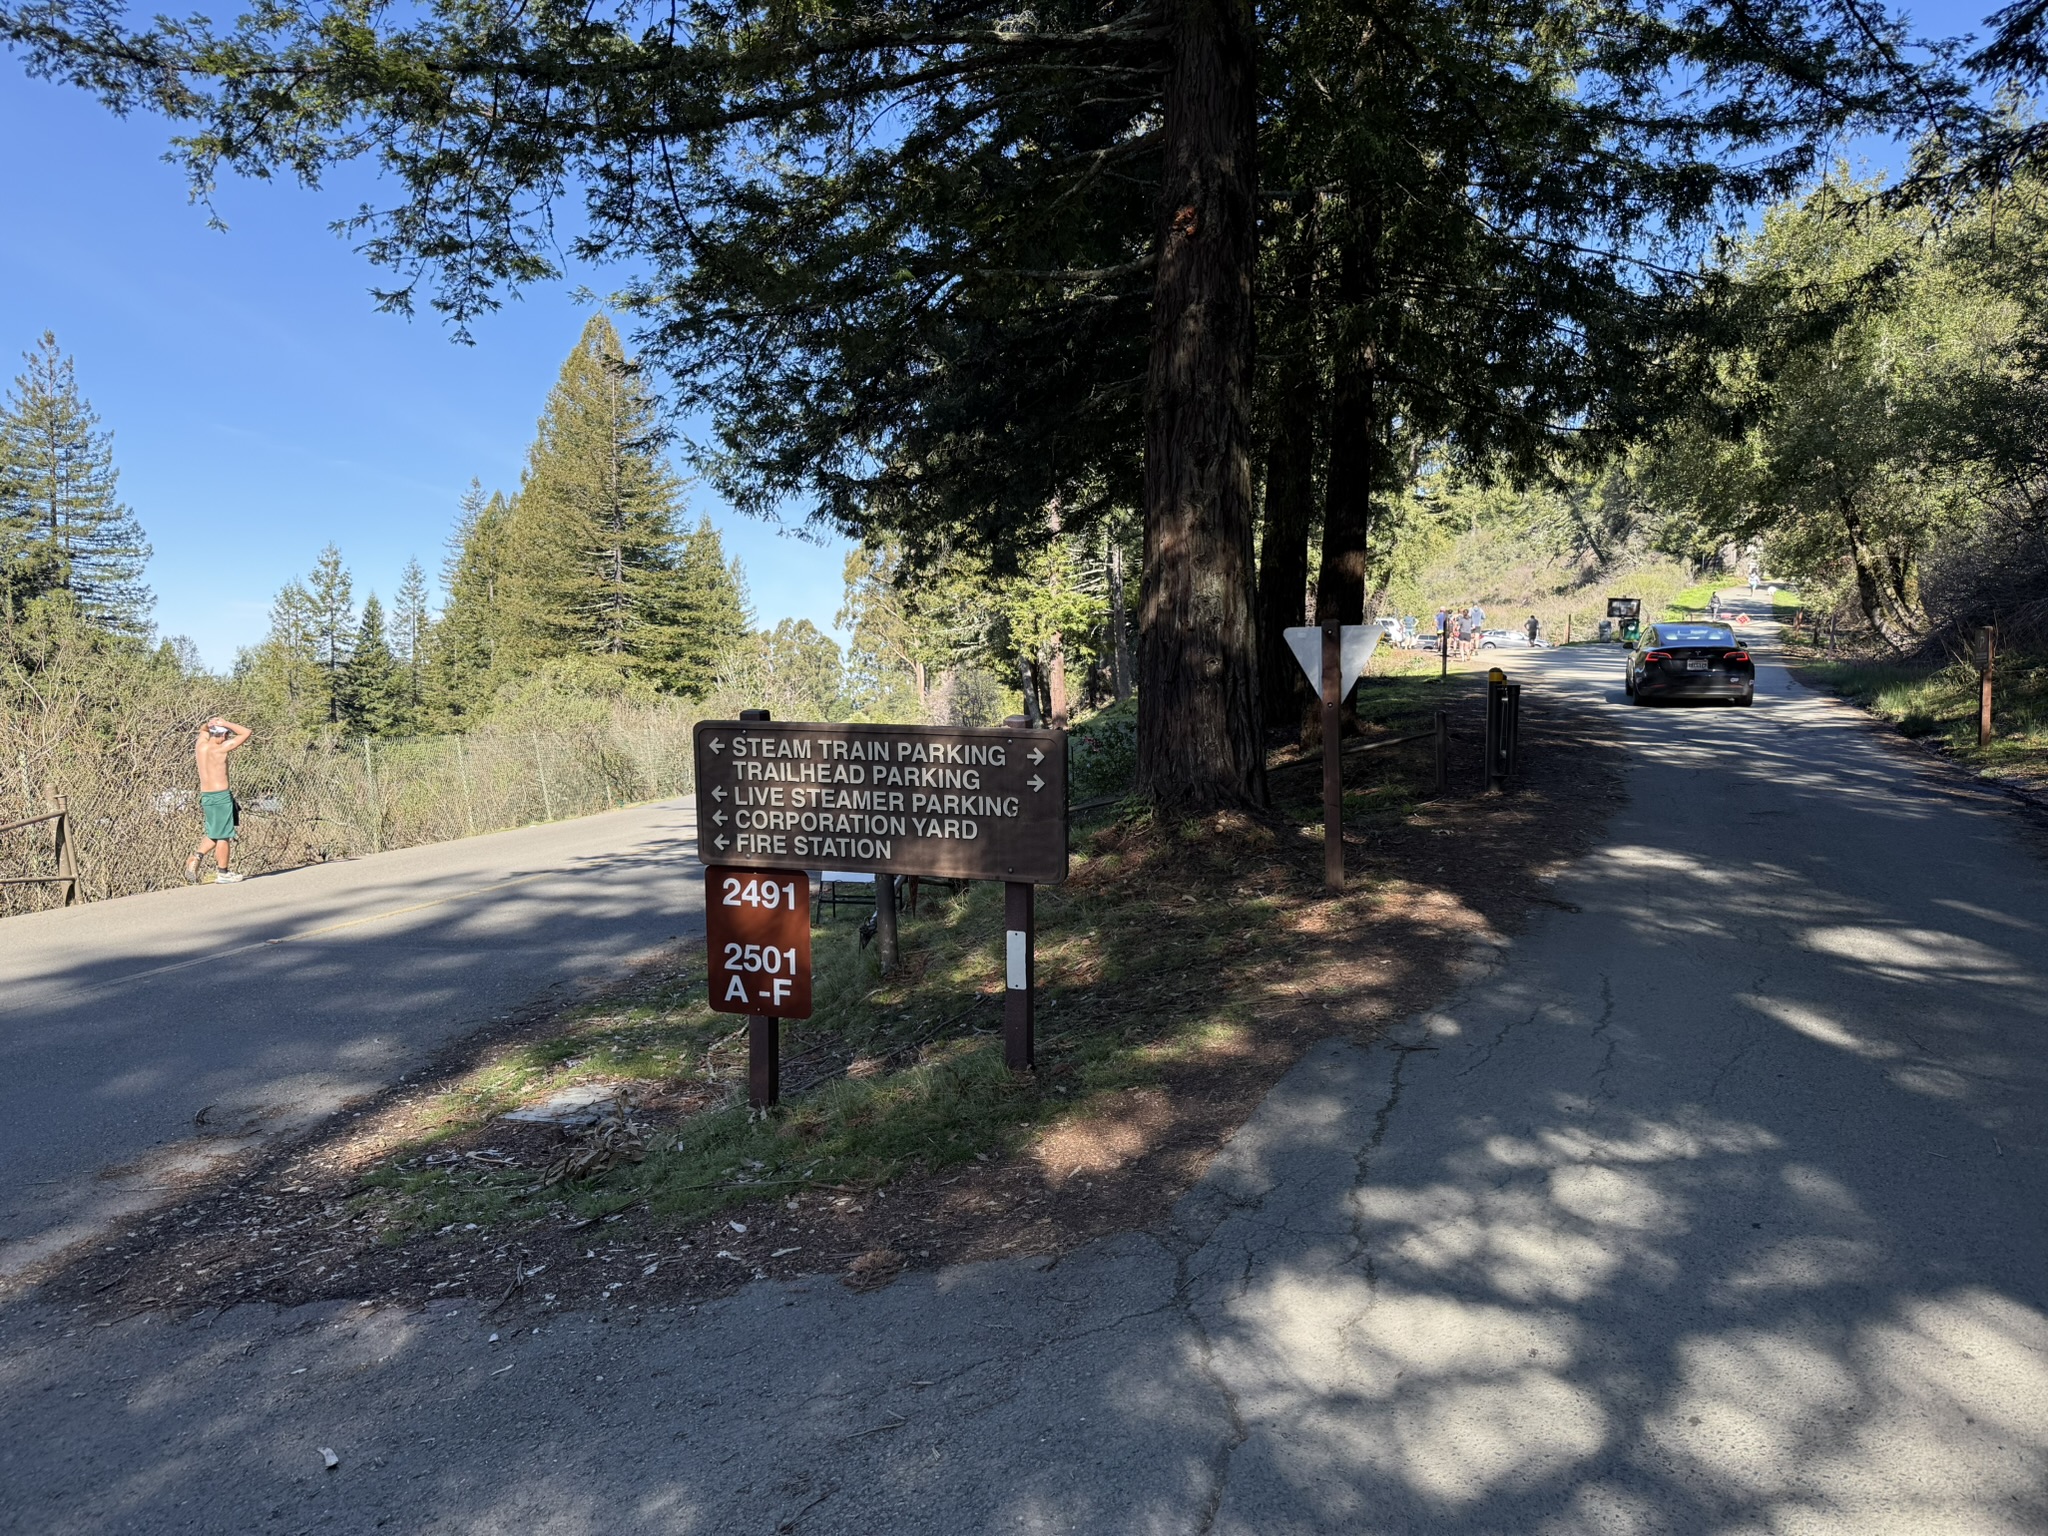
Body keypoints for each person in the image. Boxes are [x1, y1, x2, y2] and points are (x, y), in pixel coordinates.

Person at [185, 717, 253, 884]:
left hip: (206, 796)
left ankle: (196, 857)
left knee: (214, 832)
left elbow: (202, 731)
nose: (228, 737)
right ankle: (223, 872)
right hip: (221, 796)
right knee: (224, 835)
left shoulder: (200, 747)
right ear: (222, 735)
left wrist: (208, 724)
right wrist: (225, 723)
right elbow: (246, 732)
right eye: (227, 734)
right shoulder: (222, 749)